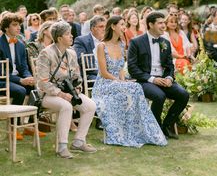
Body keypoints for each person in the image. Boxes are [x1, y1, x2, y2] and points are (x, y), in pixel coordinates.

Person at [92, 16, 167, 147]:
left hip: (118, 83)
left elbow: (121, 69)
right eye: (121, 24)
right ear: (113, 27)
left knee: (134, 87)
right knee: (135, 87)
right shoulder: (101, 46)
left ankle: (139, 131)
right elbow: (103, 72)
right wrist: (120, 82)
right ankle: (131, 132)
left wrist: (122, 81)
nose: (124, 27)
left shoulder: (121, 44)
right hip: (104, 84)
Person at [37, 21, 97, 158]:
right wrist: (61, 94)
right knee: (66, 107)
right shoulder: (46, 53)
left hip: (69, 92)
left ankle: (78, 141)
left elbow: (77, 75)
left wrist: (77, 87)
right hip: (48, 94)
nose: (72, 36)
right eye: (68, 34)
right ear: (59, 38)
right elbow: (42, 82)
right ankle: (62, 147)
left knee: (90, 106)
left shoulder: (72, 53)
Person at [128, 11, 189, 139]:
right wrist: (152, 79)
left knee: (183, 94)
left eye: (163, 23)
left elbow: (169, 66)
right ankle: (155, 129)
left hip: (163, 80)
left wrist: (169, 78)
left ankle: (166, 125)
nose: (163, 26)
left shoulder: (165, 42)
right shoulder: (136, 42)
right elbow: (132, 68)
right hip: (144, 81)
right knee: (159, 96)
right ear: (150, 24)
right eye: (160, 23)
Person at [0, 13, 45, 140]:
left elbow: (24, 67)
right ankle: (14, 127)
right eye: (14, 25)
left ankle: (29, 125)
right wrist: (21, 80)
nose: (18, 27)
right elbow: (1, 73)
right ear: (6, 28)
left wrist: (29, 78)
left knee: (37, 90)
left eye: (19, 25)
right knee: (21, 91)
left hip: (17, 78)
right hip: (2, 80)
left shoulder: (20, 44)